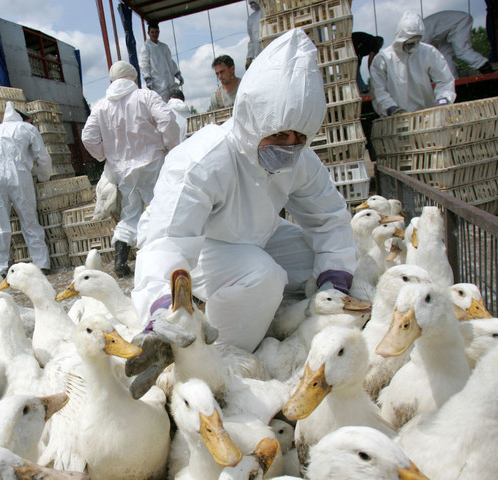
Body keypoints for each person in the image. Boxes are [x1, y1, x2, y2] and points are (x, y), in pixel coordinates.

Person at [132, 29, 357, 353]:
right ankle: (220, 357)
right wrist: (162, 308)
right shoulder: (203, 160)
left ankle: (258, 313)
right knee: (264, 277)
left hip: (256, 238)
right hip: (201, 246)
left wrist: (334, 285)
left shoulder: (299, 160)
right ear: (254, 120)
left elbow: (330, 220)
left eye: (300, 137)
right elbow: (167, 243)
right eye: (279, 135)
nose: (290, 146)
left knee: (323, 262)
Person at [81, 61, 180, 278]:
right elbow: (167, 119)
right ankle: (160, 261)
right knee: (160, 208)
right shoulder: (146, 96)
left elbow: (87, 136)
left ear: (111, 81)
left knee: (130, 213)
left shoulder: (101, 106)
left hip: (121, 169)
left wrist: (103, 155)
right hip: (152, 163)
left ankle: (121, 262)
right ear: (133, 78)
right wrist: (171, 145)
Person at [0, 102, 52, 275]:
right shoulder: (28, 129)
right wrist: (44, 177)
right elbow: (42, 156)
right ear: (26, 119)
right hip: (19, 174)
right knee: (29, 218)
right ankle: (41, 264)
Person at [370, 11, 456, 117]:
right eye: (408, 42)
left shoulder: (428, 52)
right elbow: (378, 91)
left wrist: (443, 99)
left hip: (427, 116)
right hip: (396, 121)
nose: (412, 45)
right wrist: (391, 108)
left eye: (416, 41)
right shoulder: (383, 59)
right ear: (400, 37)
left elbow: (445, 80)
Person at [422, 10, 494, 77]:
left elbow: (421, 55)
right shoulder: (420, 29)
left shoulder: (422, 33)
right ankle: (453, 80)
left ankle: (485, 67)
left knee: (462, 51)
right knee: (444, 56)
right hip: (447, 31)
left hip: (460, 21)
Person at [139, 23, 184, 102]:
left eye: (156, 32)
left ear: (159, 32)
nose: (154, 34)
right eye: (152, 32)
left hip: (170, 82)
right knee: (164, 107)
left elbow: (170, 62)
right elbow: (144, 64)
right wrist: (147, 78)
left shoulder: (164, 47)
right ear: (148, 33)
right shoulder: (146, 47)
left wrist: (177, 74)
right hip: (158, 85)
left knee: (176, 103)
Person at [246, 0, 264, 70]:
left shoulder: (266, 13)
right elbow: (252, 40)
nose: (252, 5)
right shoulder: (251, 19)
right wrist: (249, 58)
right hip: (259, 55)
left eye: (254, 2)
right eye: (251, 4)